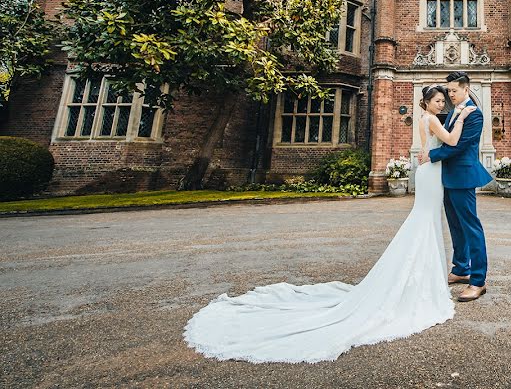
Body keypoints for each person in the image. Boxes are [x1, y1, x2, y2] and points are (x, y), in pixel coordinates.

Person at [182, 85, 475, 364]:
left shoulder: (428, 119)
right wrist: (461, 117)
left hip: (429, 173)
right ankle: (421, 282)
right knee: (424, 223)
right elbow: (450, 141)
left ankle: (423, 277)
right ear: (425, 103)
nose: (442, 104)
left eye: (443, 100)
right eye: (438, 100)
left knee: (424, 223)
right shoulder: (432, 120)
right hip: (431, 175)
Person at [419, 70, 493, 302]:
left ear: (466, 89)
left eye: (453, 90)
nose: (449, 95)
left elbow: (458, 146)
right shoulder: (454, 112)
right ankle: (461, 269)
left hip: (463, 175)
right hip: (448, 176)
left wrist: (432, 154)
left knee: (471, 227)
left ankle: (478, 280)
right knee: (455, 226)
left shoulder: (475, 114)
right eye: (448, 91)